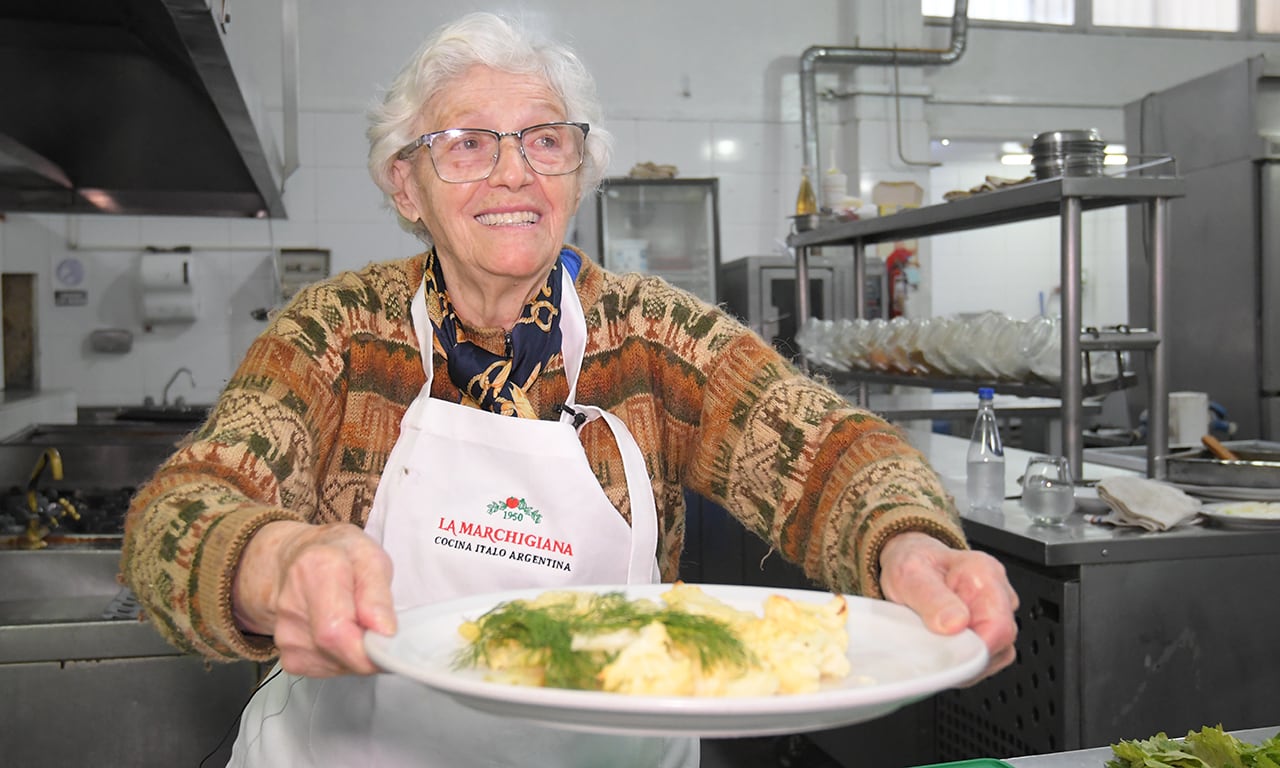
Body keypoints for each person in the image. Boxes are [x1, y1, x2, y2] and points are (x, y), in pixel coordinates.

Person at [121, 11, 1017, 768]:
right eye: (466, 144)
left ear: (577, 172)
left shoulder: (655, 338)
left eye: (545, 140)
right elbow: (178, 517)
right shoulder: (339, 333)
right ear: (407, 183)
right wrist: (271, 563)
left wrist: (905, 542)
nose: (513, 172)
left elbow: (829, 453)